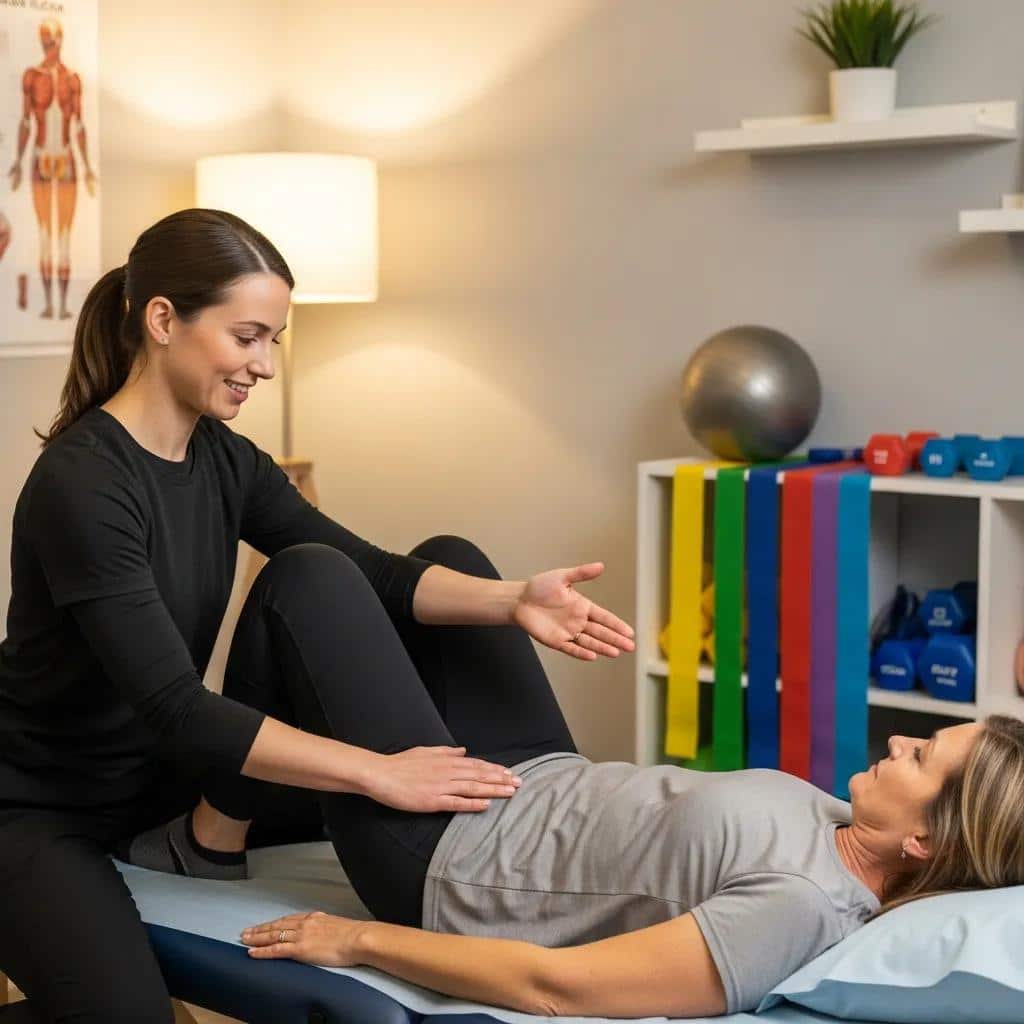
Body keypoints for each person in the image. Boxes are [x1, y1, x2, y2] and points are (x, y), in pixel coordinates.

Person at [0, 207, 636, 1024]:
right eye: (247, 336)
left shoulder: (221, 456)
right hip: (39, 803)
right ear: (163, 320)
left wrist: (511, 600)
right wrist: (378, 769)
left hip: (160, 782)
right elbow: (176, 704)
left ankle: (205, 843)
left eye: (274, 341)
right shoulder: (83, 483)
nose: (264, 365)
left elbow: (366, 569)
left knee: (350, 575)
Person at [234, 649, 1024, 1019]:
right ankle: (278, 798)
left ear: (925, 841)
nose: (895, 743)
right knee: (455, 566)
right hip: (537, 775)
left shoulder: (801, 906)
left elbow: (558, 987)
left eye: (919, 757)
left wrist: (358, 941)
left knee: (309, 581)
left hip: (446, 858)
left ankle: (213, 823)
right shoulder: (848, 823)